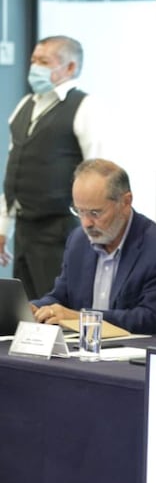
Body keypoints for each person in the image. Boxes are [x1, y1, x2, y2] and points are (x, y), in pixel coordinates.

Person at [32, 159, 156, 335]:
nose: (86, 223)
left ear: (125, 202)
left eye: (95, 213)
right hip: (86, 348)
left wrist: (82, 318)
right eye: (79, 211)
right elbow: (61, 296)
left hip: (142, 349)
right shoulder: (78, 241)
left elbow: (152, 319)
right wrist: (34, 309)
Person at [1, 35, 102, 299]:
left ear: (70, 67)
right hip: (25, 230)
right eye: (34, 60)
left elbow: (97, 172)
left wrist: (96, 230)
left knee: (56, 307)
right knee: (24, 307)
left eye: (44, 62)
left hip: (61, 229)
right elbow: (13, 172)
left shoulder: (84, 106)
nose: (35, 67)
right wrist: (3, 228)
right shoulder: (25, 105)